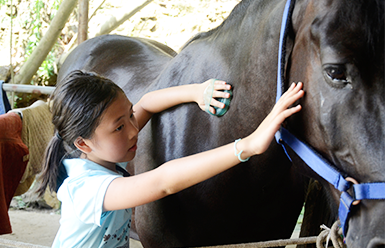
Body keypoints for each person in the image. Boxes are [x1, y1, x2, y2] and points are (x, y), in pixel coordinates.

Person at [37, 70, 304, 248]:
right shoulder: (87, 189)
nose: (133, 130)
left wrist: (197, 93)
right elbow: (163, 181)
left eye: (129, 115)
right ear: (83, 143)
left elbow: (146, 104)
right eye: (119, 127)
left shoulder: (100, 153)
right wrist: (247, 146)